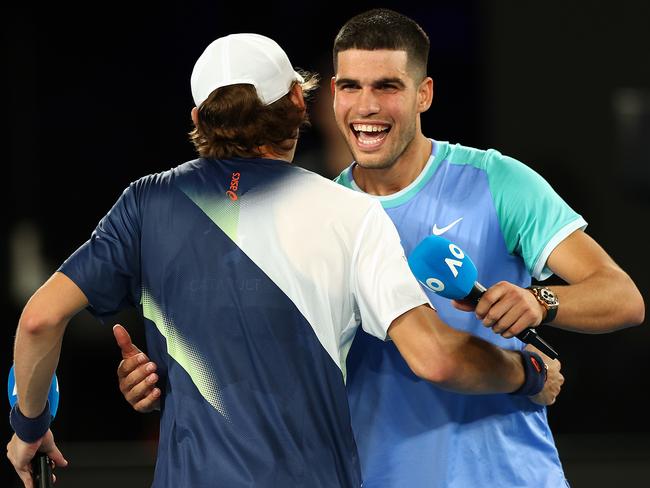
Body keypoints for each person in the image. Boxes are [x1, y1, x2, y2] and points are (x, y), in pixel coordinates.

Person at [6, 33, 562, 488]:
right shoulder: (351, 215)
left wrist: (29, 426)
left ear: (200, 114)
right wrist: (526, 372)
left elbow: (39, 319)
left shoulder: (146, 203)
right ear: (299, 102)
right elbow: (435, 359)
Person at [329, 8, 645, 488]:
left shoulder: (498, 180)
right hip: (379, 476)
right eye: (351, 86)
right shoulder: (321, 214)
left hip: (509, 475)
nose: (366, 106)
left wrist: (539, 301)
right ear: (334, 93)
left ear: (424, 94)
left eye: (387, 86)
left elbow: (623, 298)